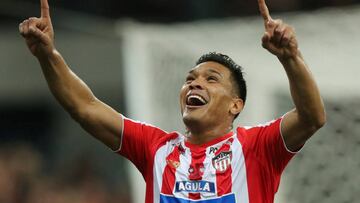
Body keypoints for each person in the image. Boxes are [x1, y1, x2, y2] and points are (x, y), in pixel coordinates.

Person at [19, 0, 326, 202]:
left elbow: (311, 117)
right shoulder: (157, 149)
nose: (195, 82)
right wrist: (48, 56)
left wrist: (290, 58)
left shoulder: (256, 147)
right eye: (190, 78)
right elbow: (84, 107)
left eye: (211, 79)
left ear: (236, 105)